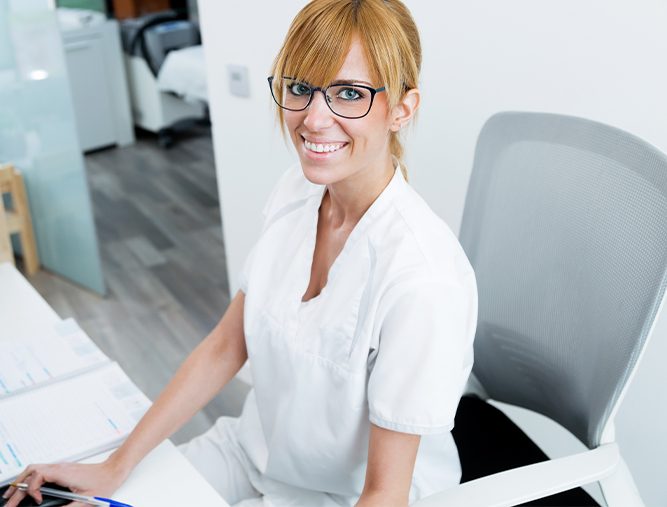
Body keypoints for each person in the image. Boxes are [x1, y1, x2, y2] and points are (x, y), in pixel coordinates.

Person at [3, 1, 477, 506]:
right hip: (253, 453)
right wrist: (114, 467)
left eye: (349, 94)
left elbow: (385, 493)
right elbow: (226, 347)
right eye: (299, 88)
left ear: (403, 109)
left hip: (341, 496)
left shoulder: (422, 279)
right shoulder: (299, 192)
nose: (314, 119)